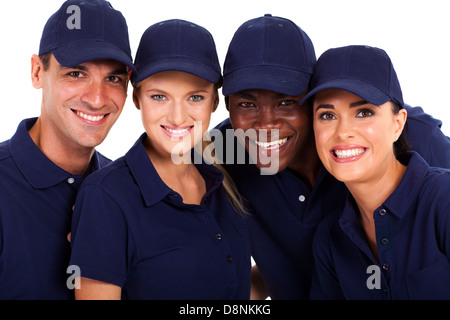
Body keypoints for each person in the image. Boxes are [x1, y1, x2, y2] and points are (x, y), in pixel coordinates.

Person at [214, 14, 450, 299]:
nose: (266, 124)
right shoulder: (220, 150)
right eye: (246, 104)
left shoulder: (416, 138)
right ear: (226, 106)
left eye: (287, 101)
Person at [69, 19, 251, 300]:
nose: (178, 117)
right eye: (159, 96)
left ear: (214, 102)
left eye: (195, 97)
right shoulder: (105, 197)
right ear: (137, 98)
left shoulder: (222, 179)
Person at [0, 0, 134, 300]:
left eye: (113, 78)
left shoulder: (127, 188)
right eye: (76, 73)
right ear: (37, 72)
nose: (97, 99)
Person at [305, 45, 450, 299]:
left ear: (397, 124)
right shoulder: (330, 239)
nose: (343, 132)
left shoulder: (443, 201)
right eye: (327, 115)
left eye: (364, 112)